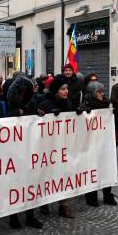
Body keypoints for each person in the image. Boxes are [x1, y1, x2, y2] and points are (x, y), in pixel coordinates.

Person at [0, 76, 44, 229]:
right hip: (9, 154)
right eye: (20, 92)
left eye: (25, 93)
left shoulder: (30, 105)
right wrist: (12, 115)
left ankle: (30, 216)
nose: (22, 96)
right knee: (13, 185)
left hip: (28, 151)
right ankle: (13, 217)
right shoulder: (2, 105)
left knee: (30, 183)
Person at [38, 75, 76, 219]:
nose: (66, 91)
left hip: (63, 145)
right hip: (48, 147)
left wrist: (79, 113)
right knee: (47, 174)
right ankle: (44, 202)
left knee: (64, 174)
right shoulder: (45, 104)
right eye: (62, 89)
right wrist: (47, 116)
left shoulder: (68, 103)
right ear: (55, 90)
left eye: (67, 88)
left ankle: (64, 205)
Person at [82, 81, 118, 207]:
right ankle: (91, 197)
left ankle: (108, 195)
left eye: (102, 91)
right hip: (91, 144)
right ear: (92, 93)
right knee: (92, 169)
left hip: (104, 143)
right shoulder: (86, 106)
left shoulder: (106, 105)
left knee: (106, 168)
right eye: (99, 92)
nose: (102, 94)